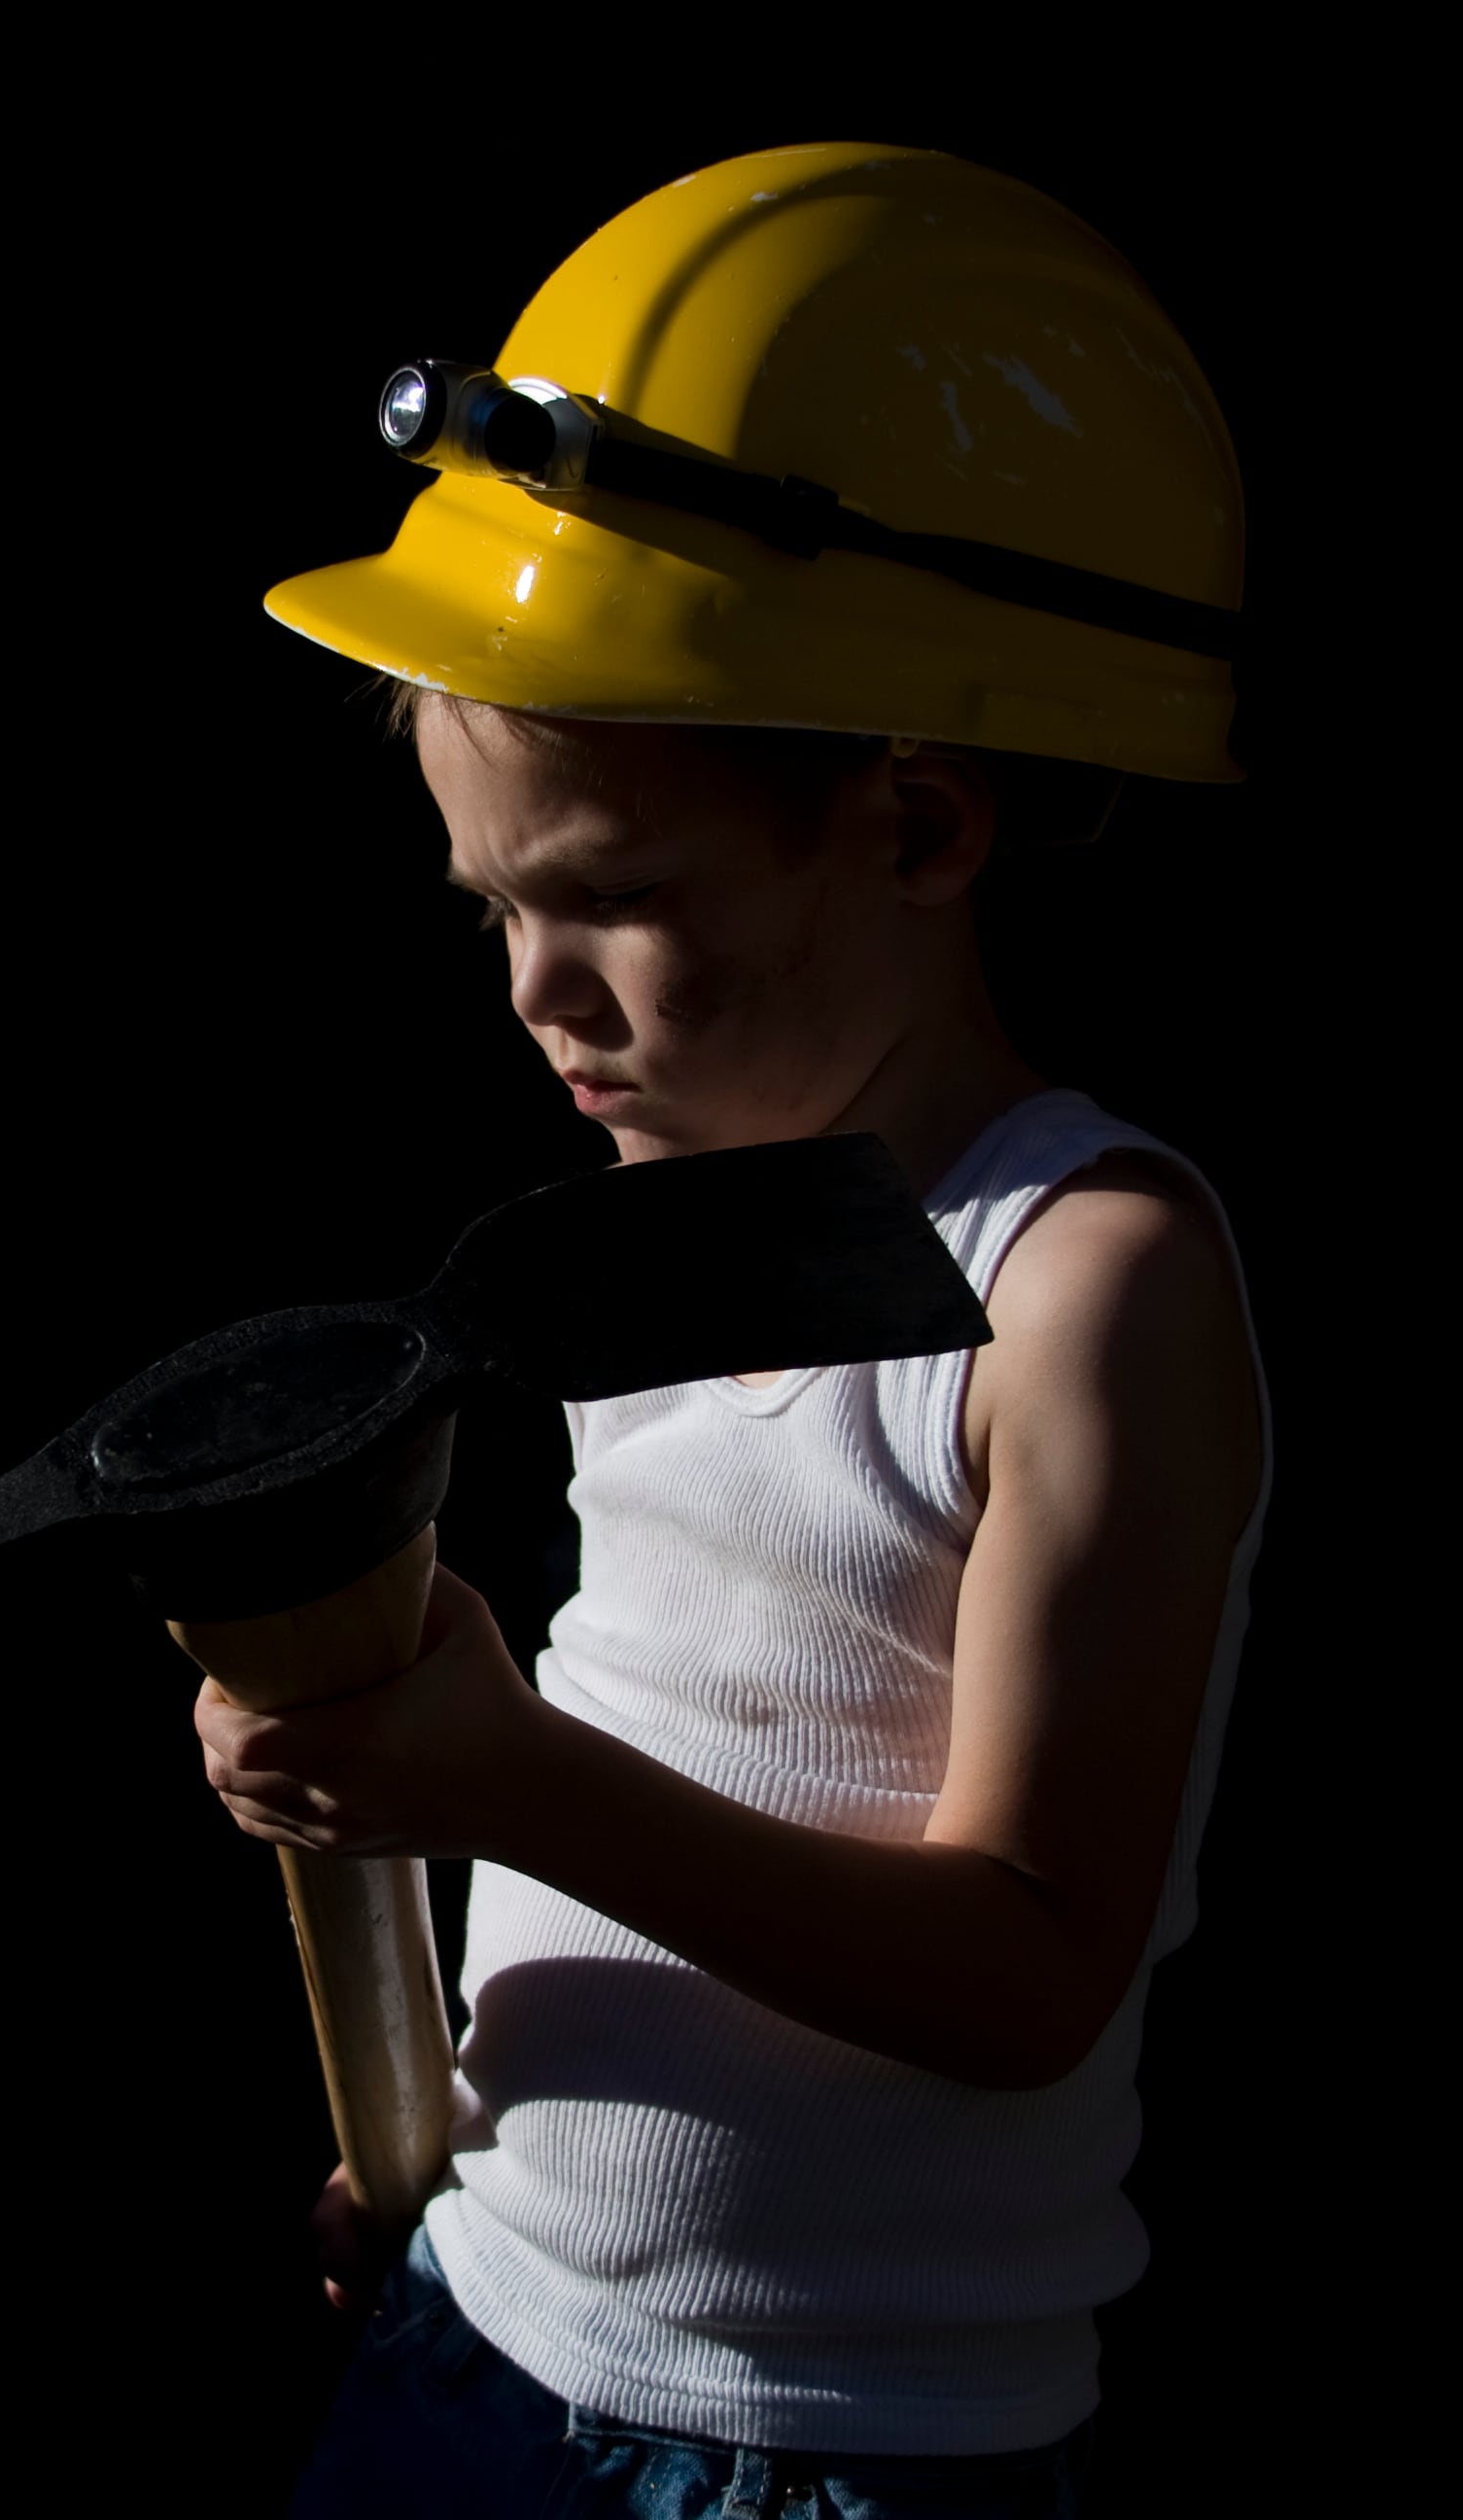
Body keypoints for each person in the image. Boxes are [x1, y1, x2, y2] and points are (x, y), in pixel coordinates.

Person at [191, 145, 1271, 2519]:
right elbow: (664, 1717)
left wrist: (495, 1777)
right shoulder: (649, 1223)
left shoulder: (1075, 1284)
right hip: (474, 2331)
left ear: (912, 825)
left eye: (612, 903)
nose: (531, 995)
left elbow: (1021, 1972)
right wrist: (449, 2135)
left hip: (823, 2469)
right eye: (486, 907)